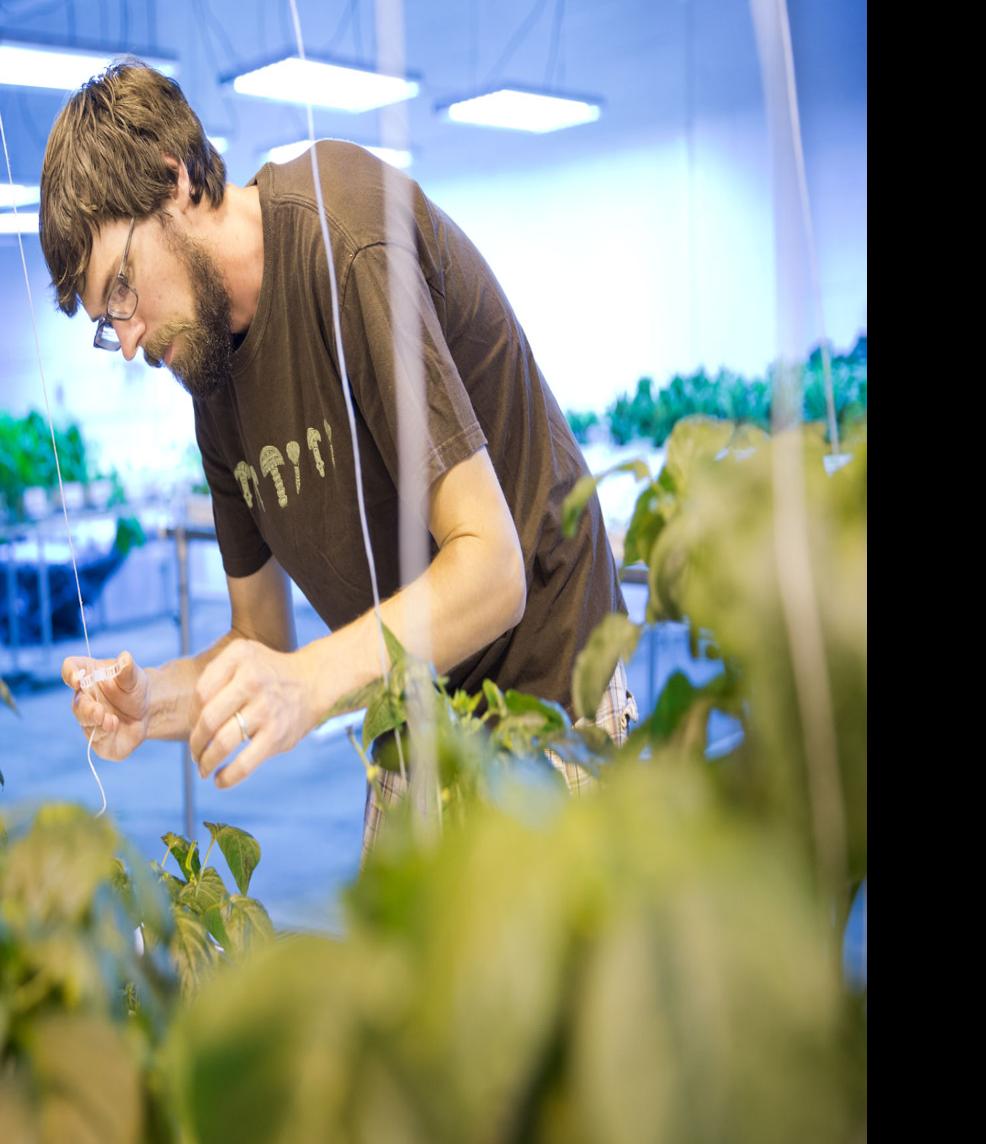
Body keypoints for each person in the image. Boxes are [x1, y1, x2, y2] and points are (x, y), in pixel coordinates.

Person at [40, 60, 635, 845]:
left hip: (545, 688)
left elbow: (493, 572)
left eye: (121, 288)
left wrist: (312, 682)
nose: (126, 338)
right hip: (409, 694)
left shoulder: (347, 238)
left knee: (524, 965)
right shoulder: (209, 366)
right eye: (103, 321)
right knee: (397, 967)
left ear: (174, 180)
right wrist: (152, 702)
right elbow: (262, 638)